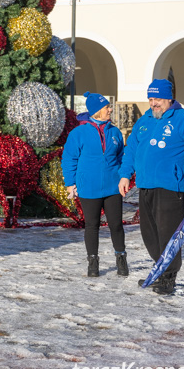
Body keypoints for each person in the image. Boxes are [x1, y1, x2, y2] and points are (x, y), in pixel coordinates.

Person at [118, 79, 184, 295]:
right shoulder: (144, 121)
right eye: (151, 99)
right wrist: (125, 175)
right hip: (145, 186)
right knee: (149, 234)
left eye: (158, 99)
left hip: (171, 188)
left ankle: (168, 278)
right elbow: (131, 150)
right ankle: (160, 270)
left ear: (169, 98)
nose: (154, 104)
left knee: (169, 234)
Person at [62, 92, 127, 278]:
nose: (110, 109)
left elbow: (121, 157)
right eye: (107, 107)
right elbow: (69, 159)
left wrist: (124, 177)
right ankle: (93, 262)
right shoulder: (78, 133)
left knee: (116, 225)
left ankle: (121, 258)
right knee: (92, 225)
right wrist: (70, 183)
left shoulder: (114, 132)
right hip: (88, 188)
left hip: (113, 187)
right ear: (97, 111)